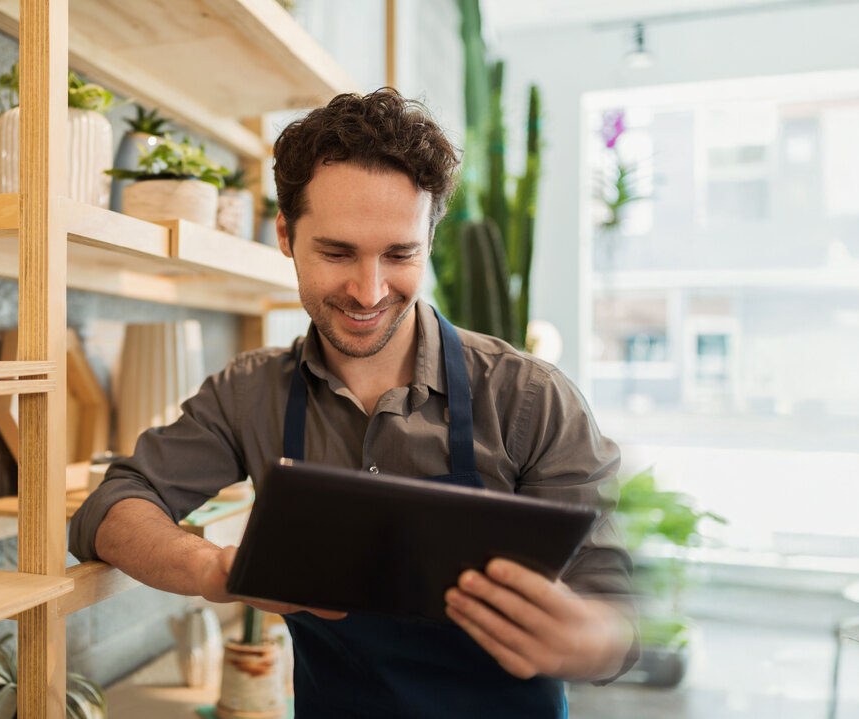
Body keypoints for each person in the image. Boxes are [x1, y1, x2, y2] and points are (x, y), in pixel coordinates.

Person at [70, 88, 638, 718]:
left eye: (400, 255)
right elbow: (112, 507)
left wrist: (584, 636)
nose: (368, 291)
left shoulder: (530, 397)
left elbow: (612, 606)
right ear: (286, 235)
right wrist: (218, 570)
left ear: (429, 238)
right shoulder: (249, 394)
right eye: (336, 253)